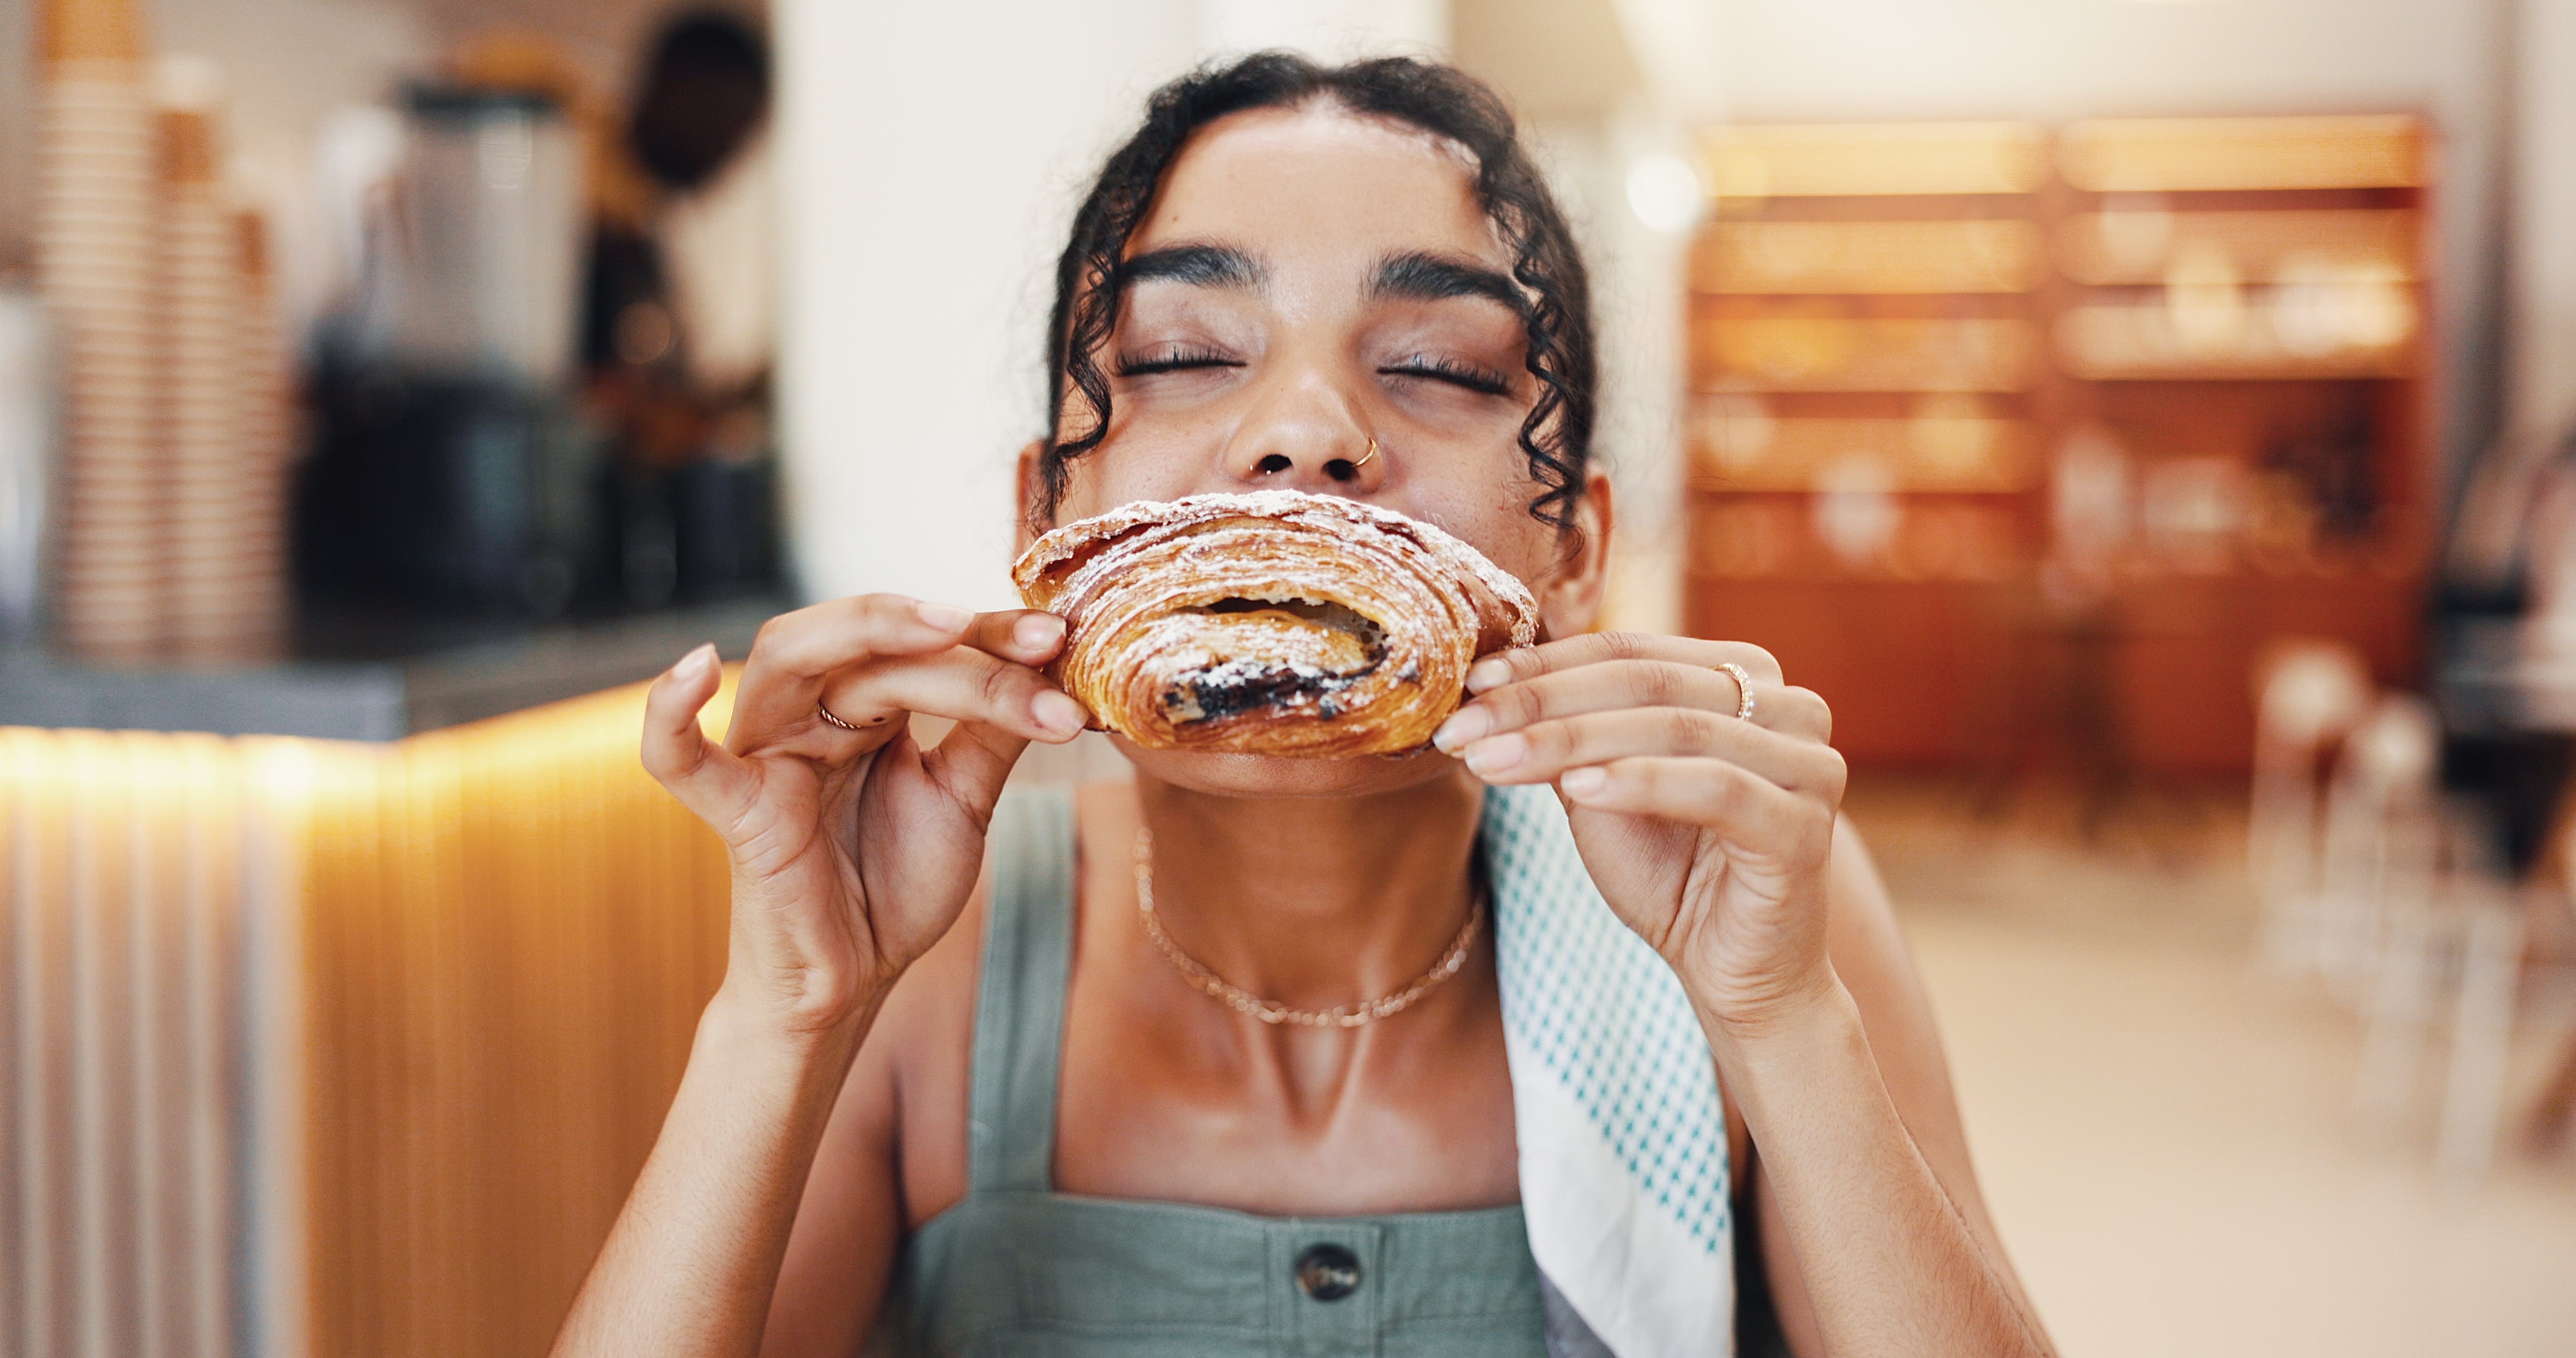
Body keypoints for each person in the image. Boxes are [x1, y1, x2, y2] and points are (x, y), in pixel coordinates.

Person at [552, 53, 2055, 1358]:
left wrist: (1776, 1020)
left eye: (1434, 367)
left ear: (1574, 554)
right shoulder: (925, 968)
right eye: (1183, 356)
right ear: (1048, 516)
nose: (1303, 434)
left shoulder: (1754, 917)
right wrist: (789, 1006)